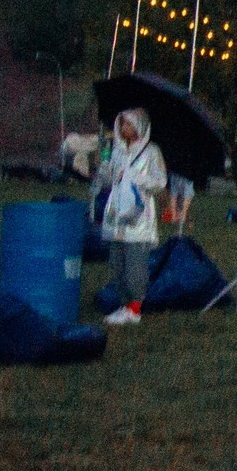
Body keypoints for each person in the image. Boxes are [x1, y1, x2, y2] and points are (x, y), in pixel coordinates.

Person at [92, 106, 167, 326]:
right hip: (116, 215)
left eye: (129, 124)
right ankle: (124, 305)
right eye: (122, 123)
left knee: (135, 265)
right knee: (117, 264)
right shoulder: (116, 150)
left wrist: (135, 177)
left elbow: (159, 182)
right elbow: (109, 180)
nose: (125, 128)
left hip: (137, 217)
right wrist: (104, 170)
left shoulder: (151, 152)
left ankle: (134, 308)